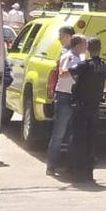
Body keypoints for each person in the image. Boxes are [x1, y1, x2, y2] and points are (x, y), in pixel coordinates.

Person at [67, 37, 106, 182]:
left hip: (81, 106)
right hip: (94, 107)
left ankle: (76, 171)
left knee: (78, 139)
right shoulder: (104, 65)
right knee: (91, 140)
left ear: (88, 49)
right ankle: (89, 171)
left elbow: (71, 71)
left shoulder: (85, 65)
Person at [45, 25, 79, 176]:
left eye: (62, 36)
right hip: (64, 96)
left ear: (70, 37)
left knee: (67, 134)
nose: (59, 39)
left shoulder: (75, 54)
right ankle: (52, 166)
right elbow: (64, 73)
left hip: (72, 96)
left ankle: (62, 165)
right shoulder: (66, 53)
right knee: (59, 134)